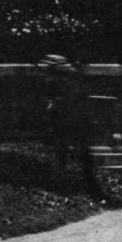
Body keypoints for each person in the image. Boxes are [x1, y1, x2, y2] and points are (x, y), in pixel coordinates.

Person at [41, 54, 97, 190]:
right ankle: (88, 179)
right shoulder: (74, 78)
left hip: (66, 116)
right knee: (80, 148)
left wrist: (54, 104)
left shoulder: (55, 80)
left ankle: (62, 177)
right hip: (76, 116)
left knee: (63, 147)